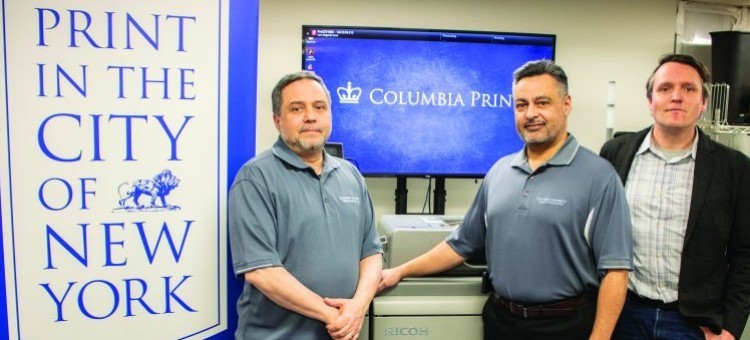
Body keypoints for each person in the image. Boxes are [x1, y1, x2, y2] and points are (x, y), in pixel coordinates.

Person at [378, 60, 634, 340]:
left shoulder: (599, 176)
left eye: (542, 103)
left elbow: (616, 272)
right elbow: (461, 245)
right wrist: (400, 271)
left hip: (564, 326)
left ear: (566, 104)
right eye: (521, 105)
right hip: (501, 321)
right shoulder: (499, 172)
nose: (531, 114)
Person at [600, 54, 750, 340]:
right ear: (650, 101)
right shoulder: (615, 153)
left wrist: (731, 327)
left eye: (689, 88)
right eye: (665, 88)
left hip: (694, 323)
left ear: (703, 103)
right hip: (624, 313)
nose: (677, 97)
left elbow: (745, 253)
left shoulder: (735, 168)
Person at [229, 71, 383, 340]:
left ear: (330, 116)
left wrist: (357, 307)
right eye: (297, 108)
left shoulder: (351, 175)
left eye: (319, 107)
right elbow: (262, 272)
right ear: (278, 121)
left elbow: (371, 254)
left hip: (343, 332)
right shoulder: (256, 178)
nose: (310, 116)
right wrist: (335, 316)